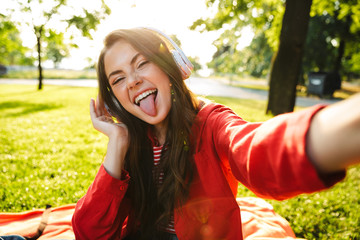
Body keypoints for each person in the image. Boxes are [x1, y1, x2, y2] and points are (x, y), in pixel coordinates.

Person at [71, 27, 360, 240]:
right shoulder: (131, 143)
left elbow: (255, 151)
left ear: (173, 67)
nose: (132, 81)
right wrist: (117, 144)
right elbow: (89, 232)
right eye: (118, 78)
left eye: (142, 63)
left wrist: (336, 129)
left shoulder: (211, 122)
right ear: (113, 99)